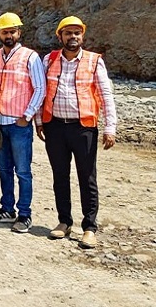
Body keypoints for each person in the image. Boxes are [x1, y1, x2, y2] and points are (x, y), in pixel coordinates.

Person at [38, 16, 116, 250]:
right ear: (59, 36)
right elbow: (40, 91)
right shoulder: (49, 60)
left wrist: (110, 127)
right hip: (55, 127)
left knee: (87, 178)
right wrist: (39, 121)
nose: (73, 37)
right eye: (68, 33)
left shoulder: (94, 61)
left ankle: (89, 228)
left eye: (77, 33)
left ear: (82, 36)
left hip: (84, 128)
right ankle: (64, 222)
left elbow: (106, 95)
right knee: (59, 176)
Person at [0, 12, 45, 234]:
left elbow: (40, 88)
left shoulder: (31, 57)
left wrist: (27, 116)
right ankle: (7, 209)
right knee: (3, 169)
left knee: (23, 171)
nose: (8, 35)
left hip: (19, 125)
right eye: (4, 31)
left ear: (19, 32)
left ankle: (25, 214)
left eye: (12, 31)